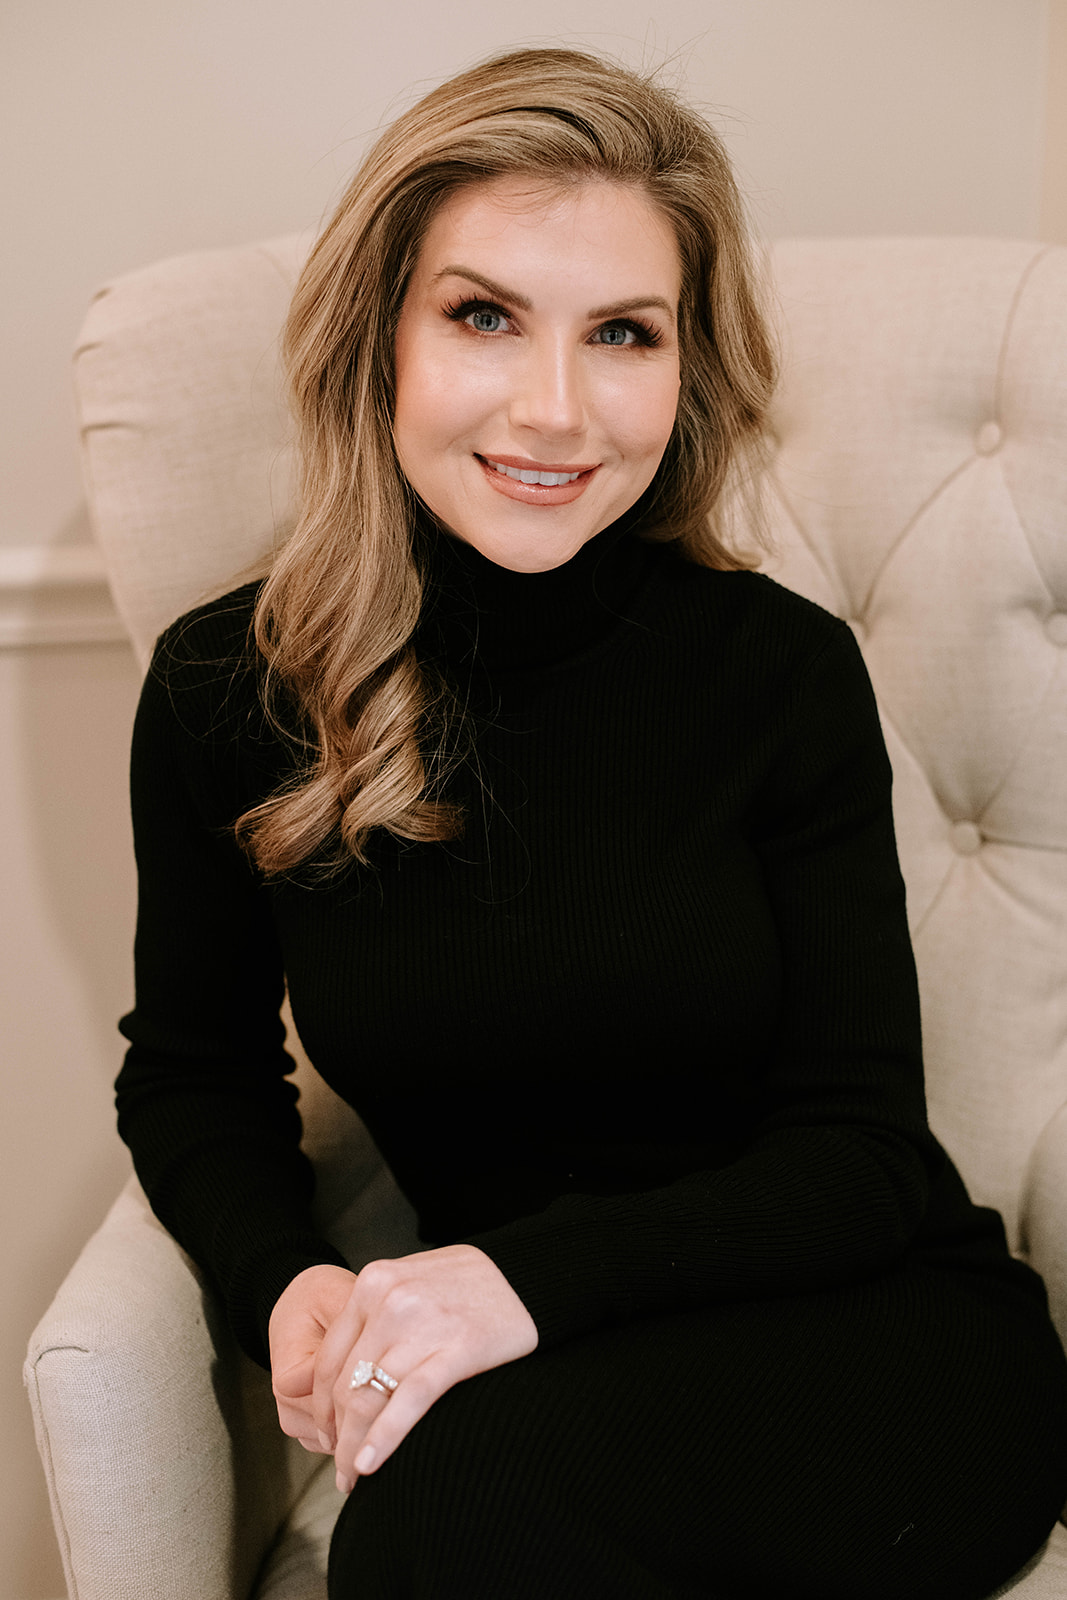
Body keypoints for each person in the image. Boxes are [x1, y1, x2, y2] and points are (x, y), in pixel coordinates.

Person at [115, 46, 1067, 1600]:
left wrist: (516, 1283)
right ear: (381, 335)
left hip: (868, 1336)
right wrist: (283, 1280)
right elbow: (194, 1073)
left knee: (451, 1523)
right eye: (484, 315)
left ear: (687, 370)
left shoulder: (776, 674)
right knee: (453, 1519)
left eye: (623, 332)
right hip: (540, 1375)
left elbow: (863, 1154)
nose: (555, 409)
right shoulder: (234, 689)